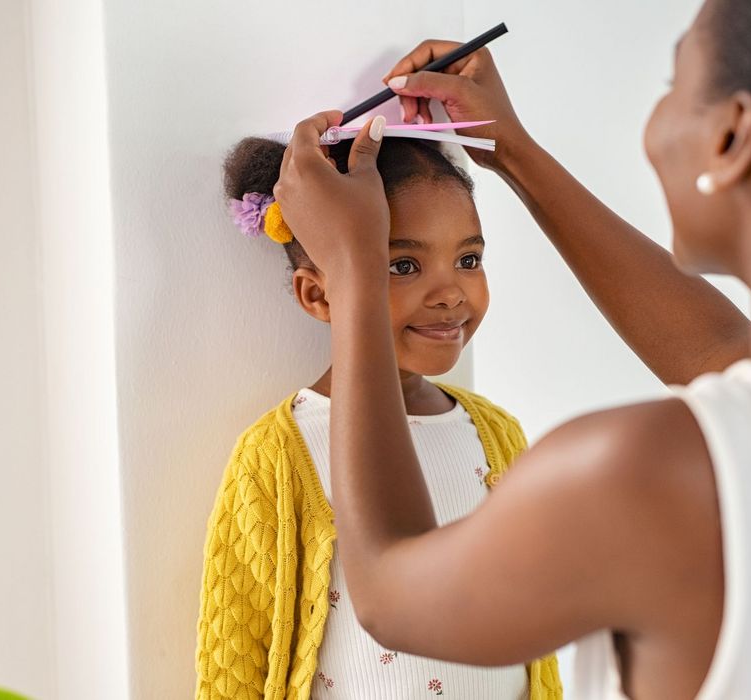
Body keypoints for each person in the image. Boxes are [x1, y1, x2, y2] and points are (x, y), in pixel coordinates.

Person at [273, 0, 751, 697]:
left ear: (734, 136)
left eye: (672, 86)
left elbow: (392, 588)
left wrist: (357, 269)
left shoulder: (649, 474)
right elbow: (727, 353)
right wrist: (513, 152)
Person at [195, 136, 562, 699]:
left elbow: (533, 621)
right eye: (404, 265)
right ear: (319, 295)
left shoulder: (497, 435)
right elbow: (236, 659)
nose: (449, 293)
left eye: (469, 259)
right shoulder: (278, 454)